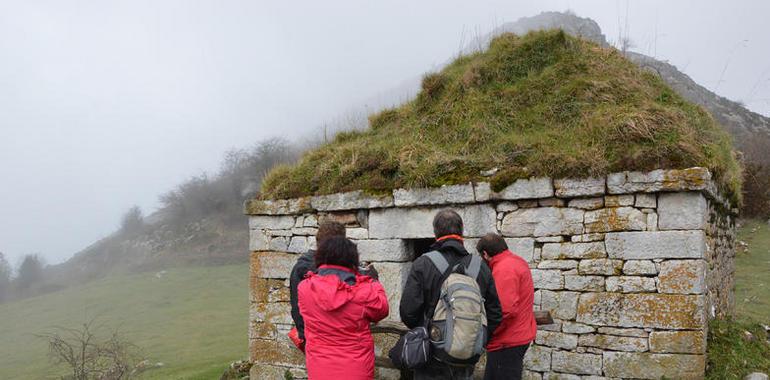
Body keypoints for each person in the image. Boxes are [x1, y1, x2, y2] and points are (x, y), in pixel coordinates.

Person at [400, 209, 503, 380]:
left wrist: (428, 331)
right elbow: (495, 314)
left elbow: (408, 312)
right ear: (462, 231)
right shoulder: (481, 267)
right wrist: (473, 338)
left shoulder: (423, 264)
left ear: (435, 232)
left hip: (431, 357)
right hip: (467, 358)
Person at [298, 236, 389, 380]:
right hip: (355, 368)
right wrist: (374, 282)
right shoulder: (362, 292)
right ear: (352, 259)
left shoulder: (305, 288)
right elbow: (382, 309)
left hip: (319, 367)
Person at [476, 233, 536, 380]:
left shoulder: (504, 269)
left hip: (506, 341)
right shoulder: (517, 261)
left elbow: (505, 310)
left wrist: (488, 334)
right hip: (517, 336)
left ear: (485, 254)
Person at [289, 220, 346, 346]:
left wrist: (303, 334)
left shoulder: (300, 266)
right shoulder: (336, 269)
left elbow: (296, 306)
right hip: (335, 338)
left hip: (312, 337)